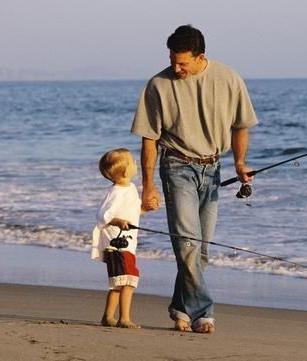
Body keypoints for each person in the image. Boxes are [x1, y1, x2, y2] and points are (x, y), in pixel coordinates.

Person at [131, 24, 258, 334]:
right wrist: (147, 186)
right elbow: (149, 139)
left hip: (213, 168)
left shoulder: (228, 79)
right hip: (176, 166)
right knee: (187, 243)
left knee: (199, 250)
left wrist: (240, 163)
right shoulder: (158, 84)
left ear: (201, 56)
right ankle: (204, 311)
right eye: (173, 60)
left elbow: (241, 126)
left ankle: (180, 308)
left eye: (182, 62)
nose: (176, 67)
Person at [91, 148, 143, 329]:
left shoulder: (130, 189)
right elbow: (102, 215)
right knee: (128, 279)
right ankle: (124, 318)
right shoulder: (116, 192)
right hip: (117, 243)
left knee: (118, 282)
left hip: (128, 243)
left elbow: (132, 213)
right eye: (133, 162)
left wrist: (145, 210)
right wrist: (117, 221)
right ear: (126, 171)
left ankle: (107, 317)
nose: (136, 164)